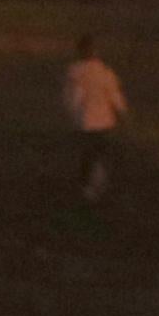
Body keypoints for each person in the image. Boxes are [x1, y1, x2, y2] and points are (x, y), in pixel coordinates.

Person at [62, 33, 129, 203]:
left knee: (88, 153)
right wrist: (122, 111)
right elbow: (114, 94)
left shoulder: (75, 72)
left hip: (85, 120)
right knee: (99, 152)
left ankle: (89, 186)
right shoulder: (105, 72)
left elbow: (74, 97)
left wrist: (72, 113)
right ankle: (98, 182)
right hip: (105, 120)